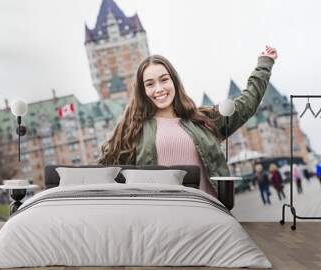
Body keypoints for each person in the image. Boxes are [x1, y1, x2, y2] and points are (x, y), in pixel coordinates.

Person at [98, 46, 278, 197]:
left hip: (211, 216)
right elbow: (103, 175)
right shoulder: (132, 131)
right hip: (163, 226)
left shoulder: (202, 121)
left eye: (164, 80)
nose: (159, 89)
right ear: (142, 90)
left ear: (174, 82)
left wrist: (264, 65)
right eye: (150, 84)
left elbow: (246, 104)